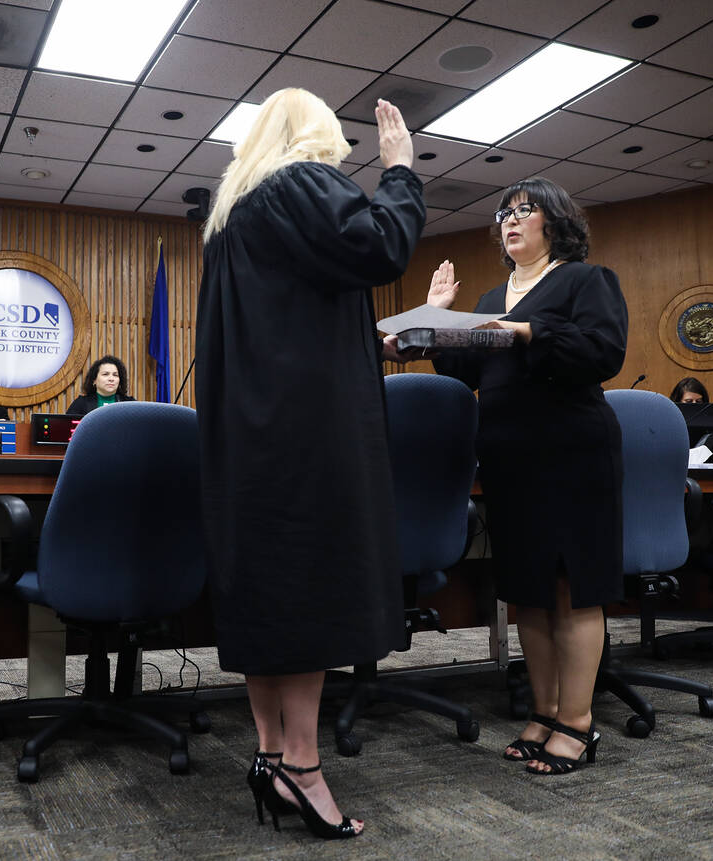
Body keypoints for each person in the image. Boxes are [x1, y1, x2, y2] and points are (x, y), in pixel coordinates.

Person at [195, 89, 424, 840]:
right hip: (307, 437)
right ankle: (303, 763)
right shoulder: (300, 182)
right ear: (316, 137)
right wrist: (400, 171)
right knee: (310, 591)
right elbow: (381, 246)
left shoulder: (234, 215)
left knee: (270, 593)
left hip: (255, 434)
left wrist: (370, 339)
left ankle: (270, 755)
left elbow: (299, 311)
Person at [426, 177, 627, 776]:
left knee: (571, 587)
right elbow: (462, 371)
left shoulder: (586, 280)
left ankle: (579, 724)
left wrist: (529, 329)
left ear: (555, 222)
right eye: (504, 212)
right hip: (510, 456)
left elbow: (602, 352)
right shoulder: (492, 296)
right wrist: (436, 319)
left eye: (525, 211)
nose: (511, 221)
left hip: (571, 449)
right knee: (529, 593)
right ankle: (543, 713)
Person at [66, 356, 134, 416]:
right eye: (105, 374)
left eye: (115, 375)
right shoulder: (81, 404)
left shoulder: (130, 404)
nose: (111, 379)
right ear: (94, 380)